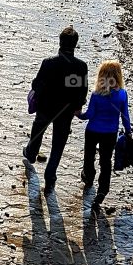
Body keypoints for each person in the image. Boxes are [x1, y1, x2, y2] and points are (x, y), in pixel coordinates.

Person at [23, 26, 89, 194]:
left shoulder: (48, 63)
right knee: (58, 144)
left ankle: (31, 153)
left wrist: (36, 88)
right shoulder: (81, 67)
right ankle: (50, 176)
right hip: (66, 112)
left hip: (45, 108)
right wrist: (78, 107)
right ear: (75, 45)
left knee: (38, 131)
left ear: (59, 42)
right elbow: (82, 90)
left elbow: (37, 85)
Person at [77, 59, 133, 212]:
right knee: (105, 161)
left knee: (88, 157)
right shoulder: (122, 95)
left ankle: (89, 177)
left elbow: (89, 114)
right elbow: (125, 116)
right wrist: (128, 131)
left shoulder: (96, 95)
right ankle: (102, 192)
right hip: (109, 133)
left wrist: (78, 115)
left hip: (93, 130)